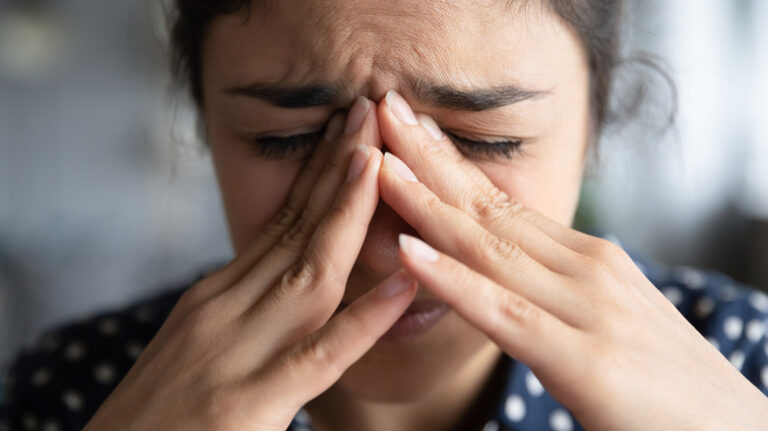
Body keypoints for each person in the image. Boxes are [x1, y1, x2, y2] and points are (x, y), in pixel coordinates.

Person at [2, 0, 768, 430]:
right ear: (205, 125)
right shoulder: (73, 394)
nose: (387, 245)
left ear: (593, 125)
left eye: (484, 141)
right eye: (289, 139)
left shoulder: (746, 368)